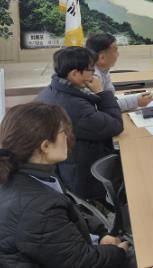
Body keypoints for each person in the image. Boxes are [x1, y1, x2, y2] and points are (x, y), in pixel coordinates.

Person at [0, 102, 128, 267]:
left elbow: (70, 211)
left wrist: (101, 232)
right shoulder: (40, 209)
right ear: (45, 146)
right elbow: (82, 263)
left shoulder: (30, 174)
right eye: (63, 132)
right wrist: (120, 252)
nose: (68, 137)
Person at [36, 47, 123, 200]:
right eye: (90, 70)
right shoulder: (73, 106)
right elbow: (115, 125)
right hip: (86, 175)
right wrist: (102, 93)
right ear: (74, 74)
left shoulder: (52, 91)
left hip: (70, 167)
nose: (93, 74)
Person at [86, 33, 153, 111]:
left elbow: (110, 99)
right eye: (115, 51)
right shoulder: (92, 77)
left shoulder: (103, 69)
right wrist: (136, 101)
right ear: (102, 58)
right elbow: (102, 107)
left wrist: (135, 99)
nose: (118, 54)